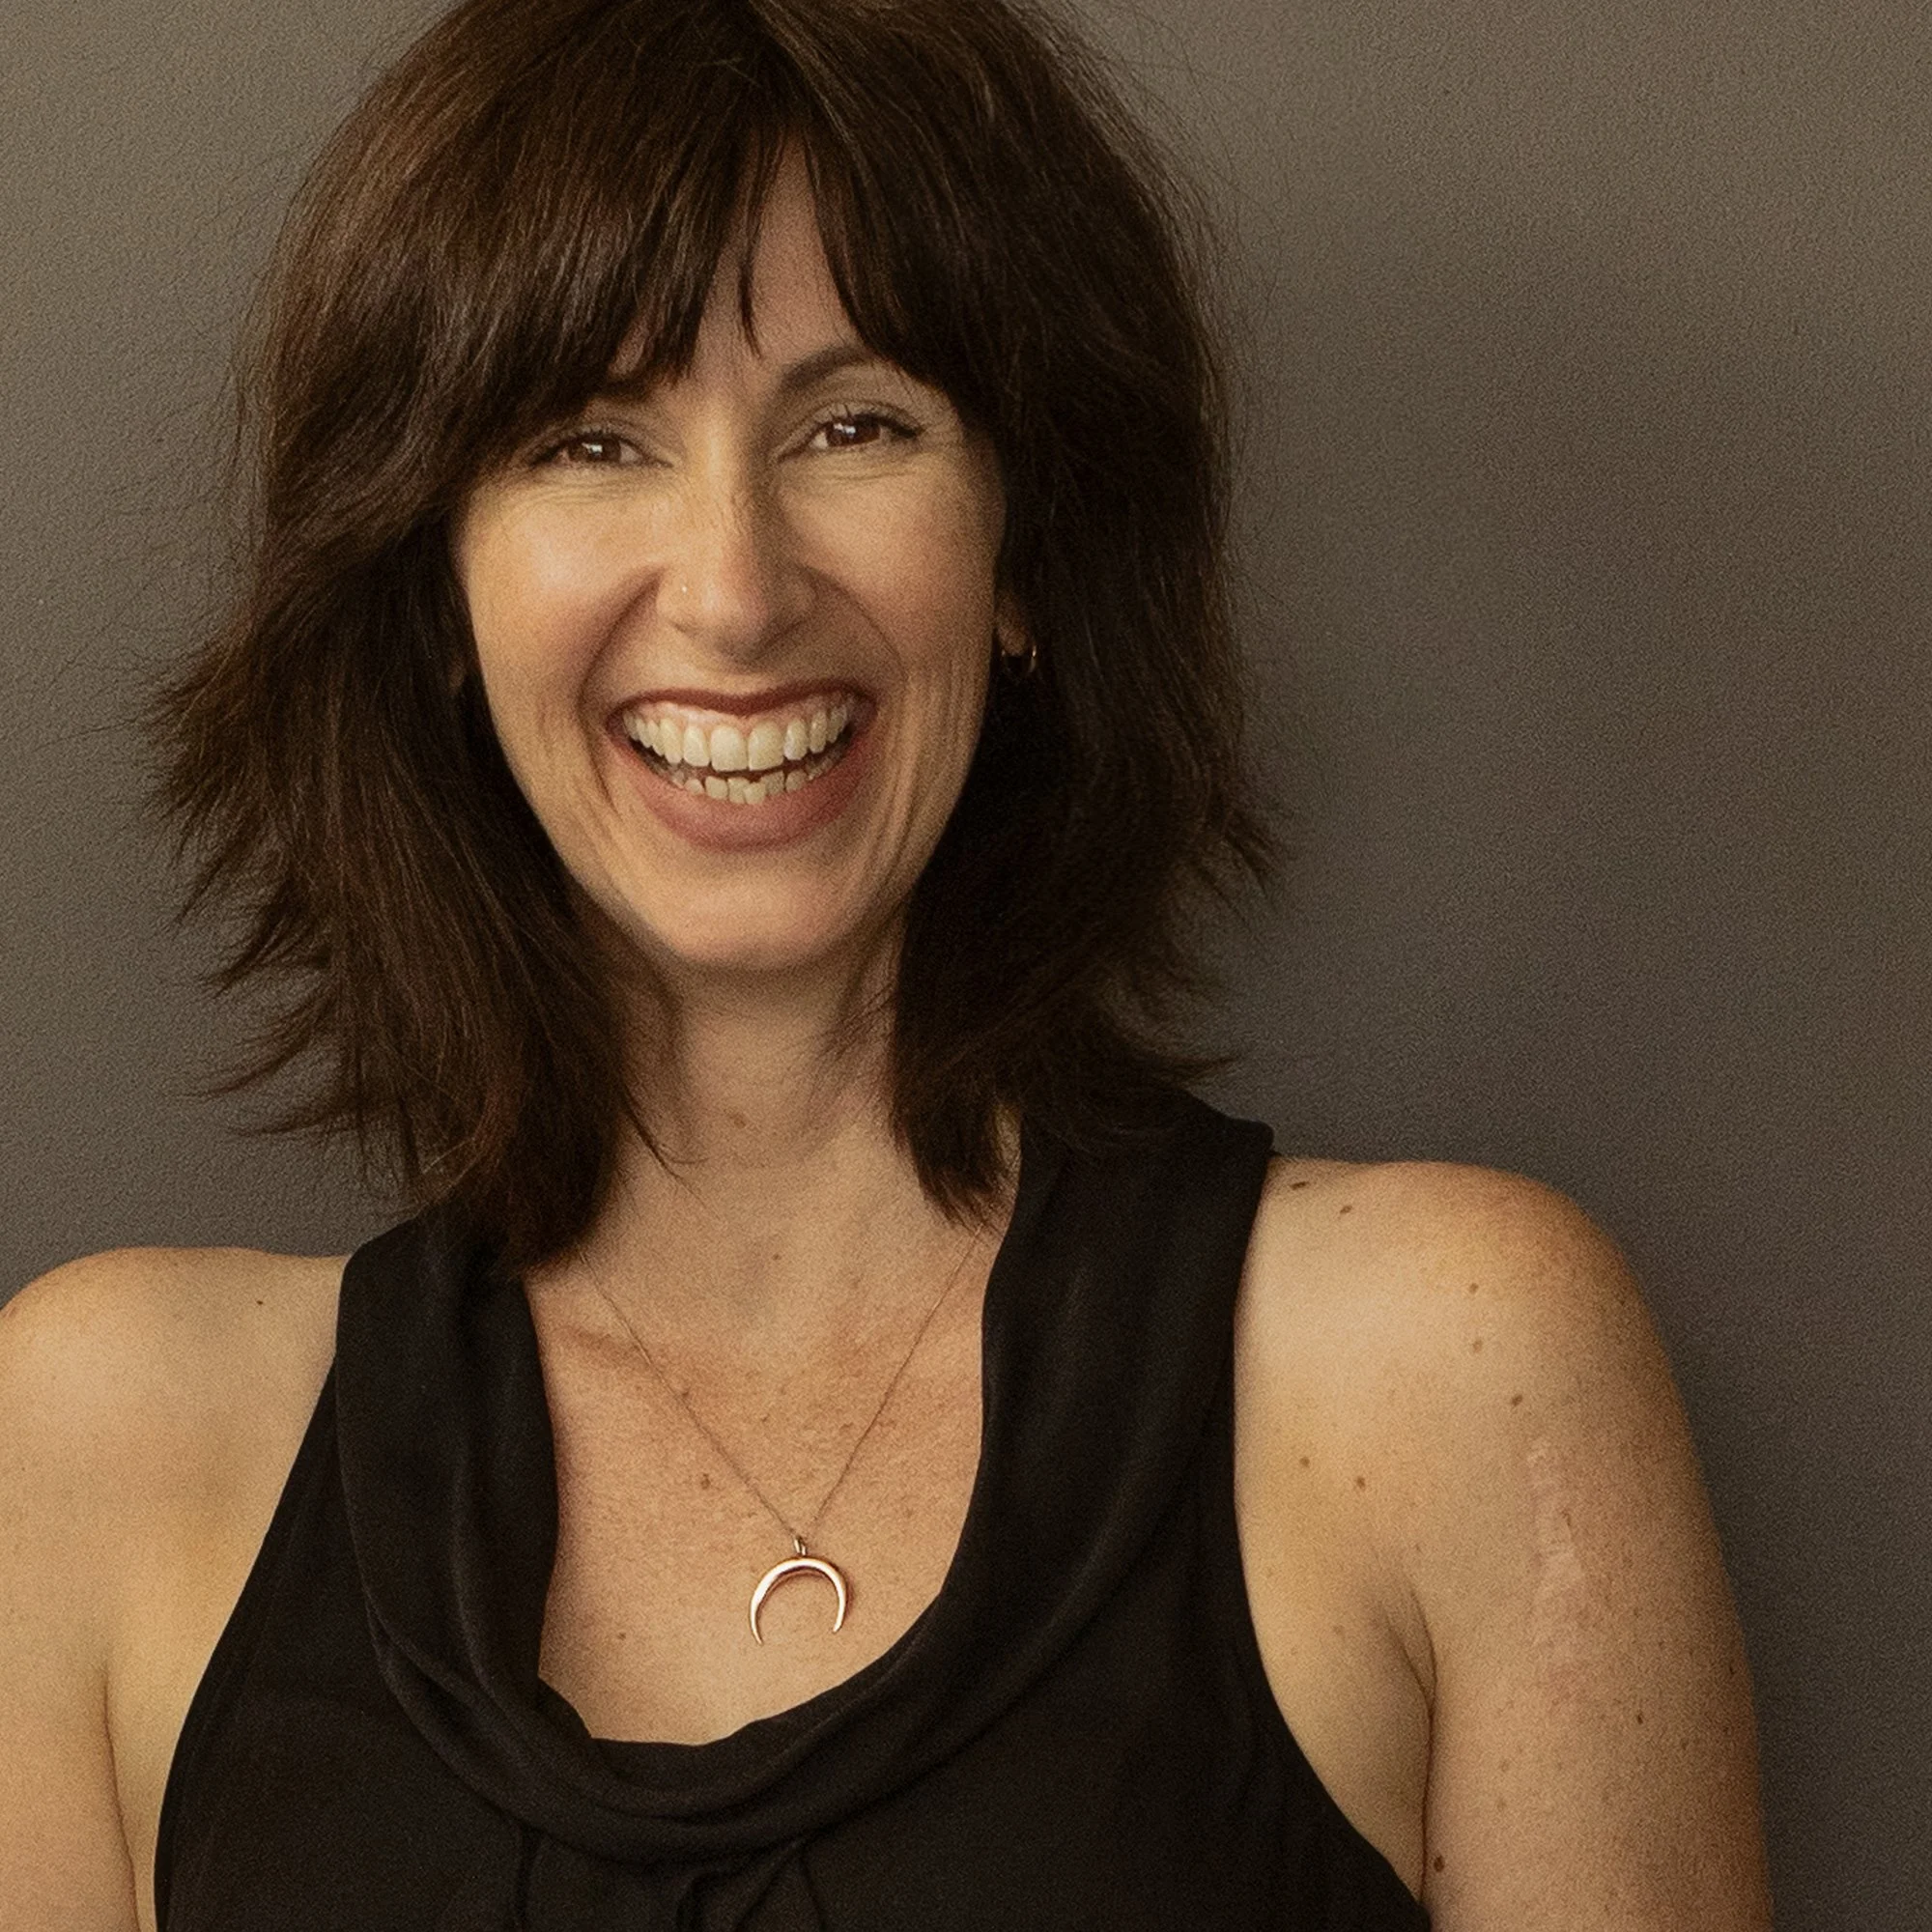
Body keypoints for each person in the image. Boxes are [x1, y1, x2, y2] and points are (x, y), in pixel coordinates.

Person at [0, 0, 1773, 1924]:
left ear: (1023, 547)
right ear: (435, 582)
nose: (736, 588)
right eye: (588, 439)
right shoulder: (95, 1455)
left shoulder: (1451, 1368)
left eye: (856, 423)